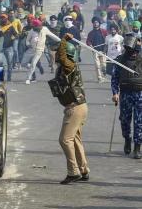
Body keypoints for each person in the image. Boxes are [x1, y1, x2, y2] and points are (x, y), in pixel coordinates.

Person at [52, 33, 89, 184]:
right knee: (75, 140)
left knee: (65, 140)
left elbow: (61, 57)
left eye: (59, 52)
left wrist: (64, 40)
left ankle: (73, 172)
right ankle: (83, 169)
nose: (56, 55)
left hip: (75, 108)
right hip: (79, 106)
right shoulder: (67, 66)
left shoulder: (69, 65)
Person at [111, 35, 142, 158]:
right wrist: (115, 93)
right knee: (125, 120)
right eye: (132, 51)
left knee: (139, 122)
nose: (134, 54)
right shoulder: (120, 60)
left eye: (136, 51)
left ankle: (137, 147)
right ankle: (127, 139)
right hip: (125, 94)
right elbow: (115, 78)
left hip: (140, 94)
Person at [22, 19, 59, 84]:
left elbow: (52, 36)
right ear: (34, 27)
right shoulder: (32, 31)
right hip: (31, 50)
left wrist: (61, 40)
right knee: (23, 64)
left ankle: (28, 78)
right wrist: (28, 44)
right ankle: (32, 68)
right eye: (38, 26)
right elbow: (27, 40)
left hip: (39, 50)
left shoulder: (44, 29)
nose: (40, 27)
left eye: (40, 25)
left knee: (33, 64)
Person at [0, 14, 18, 81]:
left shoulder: (10, 26)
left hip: (9, 47)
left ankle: (9, 78)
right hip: (0, 48)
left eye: (4, 18)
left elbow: (16, 35)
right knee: (0, 62)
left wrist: (13, 38)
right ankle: (1, 77)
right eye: (1, 18)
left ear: (7, 18)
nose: (2, 19)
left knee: (9, 63)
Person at [86, 17, 108, 83]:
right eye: (94, 23)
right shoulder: (91, 33)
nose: (95, 24)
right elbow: (88, 41)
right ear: (93, 24)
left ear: (99, 23)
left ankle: (104, 74)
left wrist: (106, 48)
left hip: (103, 50)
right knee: (97, 65)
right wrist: (90, 45)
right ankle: (99, 78)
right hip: (95, 51)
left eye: (97, 22)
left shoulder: (104, 31)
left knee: (103, 65)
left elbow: (108, 39)